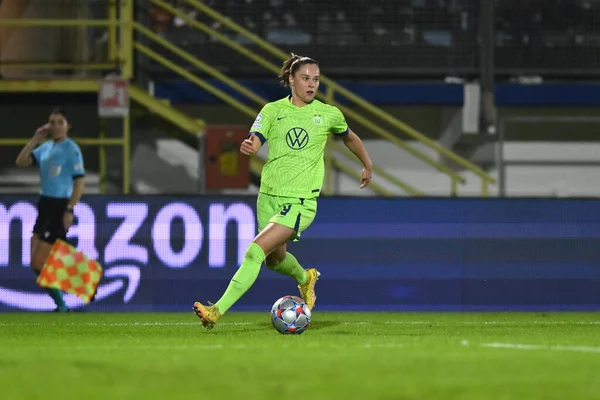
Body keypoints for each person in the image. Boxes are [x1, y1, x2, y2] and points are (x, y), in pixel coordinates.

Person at [193, 53, 373, 329]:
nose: (312, 85)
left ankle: (215, 311)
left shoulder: (327, 114)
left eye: (316, 80)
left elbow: (349, 136)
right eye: (305, 79)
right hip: (268, 197)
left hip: (300, 201)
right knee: (275, 262)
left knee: (254, 252)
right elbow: (256, 137)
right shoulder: (272, 110)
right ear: (291, 79)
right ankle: (305, 278)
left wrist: (367, 163)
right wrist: (252, 145)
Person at [15, 107, 86, 312]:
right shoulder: (45, 148)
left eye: (59, 122)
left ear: (67, 126)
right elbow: (21, 162)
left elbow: (80, 182)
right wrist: (36, 138)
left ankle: (63, 302)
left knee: (39, 261)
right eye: (52, 122)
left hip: (58, 206)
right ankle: (63, 300)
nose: (55, 126)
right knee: (35, 262)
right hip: (44, 205)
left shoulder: (71, 149)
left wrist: (70, 209)